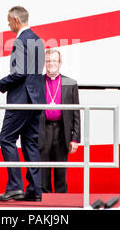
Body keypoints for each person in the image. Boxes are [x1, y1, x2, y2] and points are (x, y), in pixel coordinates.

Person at [0, 6, 46, 202]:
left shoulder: (20, 41)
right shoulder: (38, 39)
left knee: (6, 138)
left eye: (8, 20)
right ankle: (35, 190)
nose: (8, 24)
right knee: (30, 143)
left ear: (15, 19)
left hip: (21, 99)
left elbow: (19, 73)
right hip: (36, 99)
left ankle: (14, 187)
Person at [38, 49, 81, 193]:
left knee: (60, 172)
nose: (51, 64)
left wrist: (75, 138)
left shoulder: (70, 83)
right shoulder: (38, 82)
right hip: (42, 131)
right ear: (44, 63)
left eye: (54, 61)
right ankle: (44, 205)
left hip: (62, 132)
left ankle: (62, 202)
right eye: (48, 61)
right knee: (42, 172)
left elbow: (76, 113)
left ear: (60, 63)